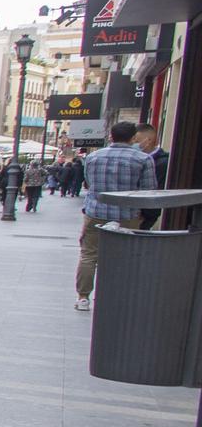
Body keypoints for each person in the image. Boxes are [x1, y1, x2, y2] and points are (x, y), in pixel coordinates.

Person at [76, 120, 159, 311]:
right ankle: (119, 295)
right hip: (127, 214)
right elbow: (148, 191)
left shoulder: (94, 157)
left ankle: (83, 297)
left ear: (111, 136)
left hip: (96, 211)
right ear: (133, 138)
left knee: (89, 255)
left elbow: (88, 183)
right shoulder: (143, 159)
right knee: (127, 255)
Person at [136, 124, 170, 228]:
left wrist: (146, 215)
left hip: (145, 215)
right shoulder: (136, 159)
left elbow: (155, 190)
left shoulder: (162, 163)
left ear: (148, 140)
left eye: (137, 141)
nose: (133, 144)